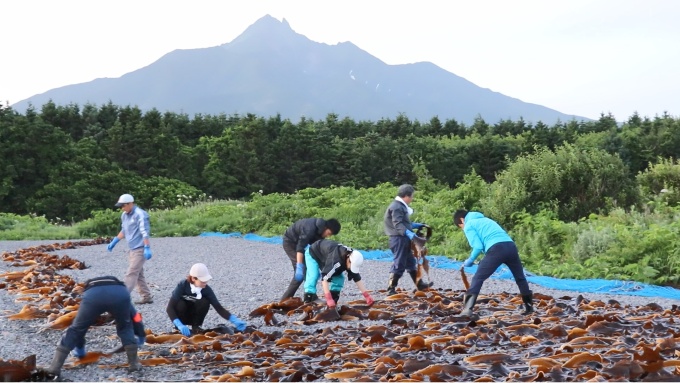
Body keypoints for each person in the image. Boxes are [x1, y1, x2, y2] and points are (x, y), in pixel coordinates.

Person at [45, 276, 146, 377]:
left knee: (77, 328)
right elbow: (135, 317)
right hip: (119, 294)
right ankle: (134, 365)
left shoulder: (88, 290)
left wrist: (80, 352)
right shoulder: (120, 288)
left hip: (93, 295)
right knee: (125, 327)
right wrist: (141, 335)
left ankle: (54, 368)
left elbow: (78, 328)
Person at [453, 209, 534, 317]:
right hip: (511, 246)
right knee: (520, 278)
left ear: (461, 220)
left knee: (478, 278)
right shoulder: (487, 220)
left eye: (461, 227)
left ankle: (467, 310)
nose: (463, 229)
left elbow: (478, 246)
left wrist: (470, 260)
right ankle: (529, 308)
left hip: (496, 249)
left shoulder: (469, 224)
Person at [167, 263, 247, 335]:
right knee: (180, 303)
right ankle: (178, 327)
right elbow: (169, 308)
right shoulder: (182, 285)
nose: (205, 283)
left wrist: (234, 319)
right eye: (202, 281)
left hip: (194, 314)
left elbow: (219, 308)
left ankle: (196, 326)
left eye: (206, 280)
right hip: (181, 315)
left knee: (204, 302)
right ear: (193, 278)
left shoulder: (206, 289)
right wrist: (179, 324)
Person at [383, 184, 432, 295]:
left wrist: (417, 226)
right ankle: (391, 288)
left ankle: (419, 284)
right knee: (399, 263)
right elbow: (398, 224)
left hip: (402, 239)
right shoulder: (397, 207)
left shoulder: (399, 206)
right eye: (412, 196)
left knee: (410, 262)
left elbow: (405, 223)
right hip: (398, 239)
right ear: (407, 196)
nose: (412, 198)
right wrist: (410, 234)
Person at [107, 193, 154, 304]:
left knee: (132, 272)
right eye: (121, 206)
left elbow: (144, 232)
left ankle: (122, 297)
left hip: (140, 248)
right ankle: (146, 296)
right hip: (132, 249)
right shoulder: (124, 215)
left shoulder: (140, 214)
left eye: (123, 206)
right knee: (138, 274)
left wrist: (147, 247)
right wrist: (115, 241)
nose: (122, 208)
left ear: (130, 203)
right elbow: (124, 230)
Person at [280, 217, 342, 301]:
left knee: (310, 270)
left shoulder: (320, 231)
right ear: (326, 228)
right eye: (329, 233)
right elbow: (300, 248)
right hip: (290, 243)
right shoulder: (309, 229)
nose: (328, 236)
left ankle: (312, 296)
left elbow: (316, 249)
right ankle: (284, 300)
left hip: (299, 244)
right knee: (301, 273)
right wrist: (299, 265)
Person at [303, 238, 374, 307]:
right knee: (313, 275)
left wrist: (367, 296)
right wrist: (328, 298)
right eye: (351, 266)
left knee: (339, 278)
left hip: (327, 254)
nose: (350, 268)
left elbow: (357, 278)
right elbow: (325, 279)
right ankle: (309, 298)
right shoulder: (336, 262)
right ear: (349, 260)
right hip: (313, 252)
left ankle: (334, 299)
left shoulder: (351, 257)